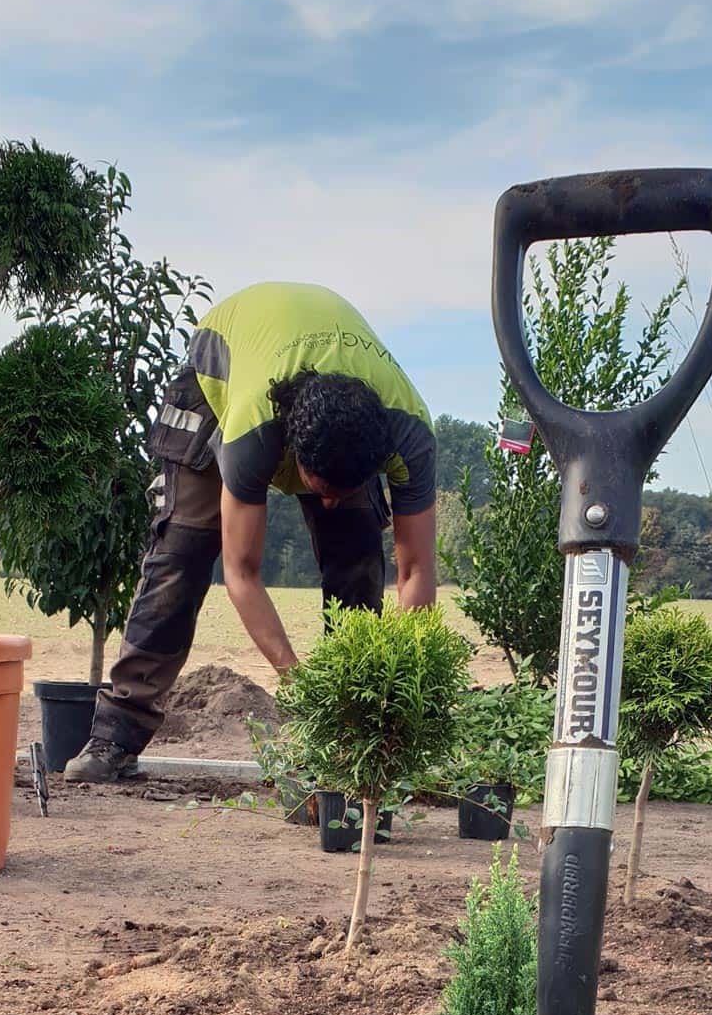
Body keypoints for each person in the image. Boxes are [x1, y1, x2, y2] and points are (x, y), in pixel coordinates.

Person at [64, 280, 437, 783]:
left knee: (358, 559)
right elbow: (241, 573)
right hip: (220, 369)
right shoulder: (251, 429)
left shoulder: (409, 430)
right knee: (184, 550)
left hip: (331, 388)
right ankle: (116, 734)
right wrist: (298, 682)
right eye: (320, 487)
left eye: (340, 489)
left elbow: (414, 571)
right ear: (293, 453)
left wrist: (401, 688)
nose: (327, 502)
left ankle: (350, 740)